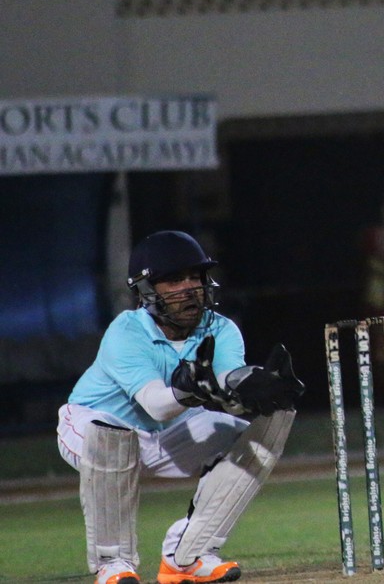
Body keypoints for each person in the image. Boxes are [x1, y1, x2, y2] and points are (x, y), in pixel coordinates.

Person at [56, 230, 305, 584]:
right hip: (90, 427)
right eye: (174, 280)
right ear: (146, 290)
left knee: (259, 435)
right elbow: (156, 405)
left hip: (165, 435)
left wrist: (252, 385)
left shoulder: (221, 328)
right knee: (114, 436)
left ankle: (186, 556)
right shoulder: (126, 331)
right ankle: (113, 563)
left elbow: (226, 383)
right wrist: (191, 390)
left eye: (195, 277)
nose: (189, 288)